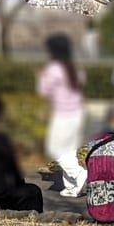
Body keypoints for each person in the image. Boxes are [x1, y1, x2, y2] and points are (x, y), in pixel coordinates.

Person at [37, 33, 87, 197]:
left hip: (63, 115)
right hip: (77, 113)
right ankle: (72, 186)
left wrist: (40, 76)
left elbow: (43, 91)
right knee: (69, 149)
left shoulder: (53, 69)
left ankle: (78, 174)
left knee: (55, 149)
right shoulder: (74, 67)